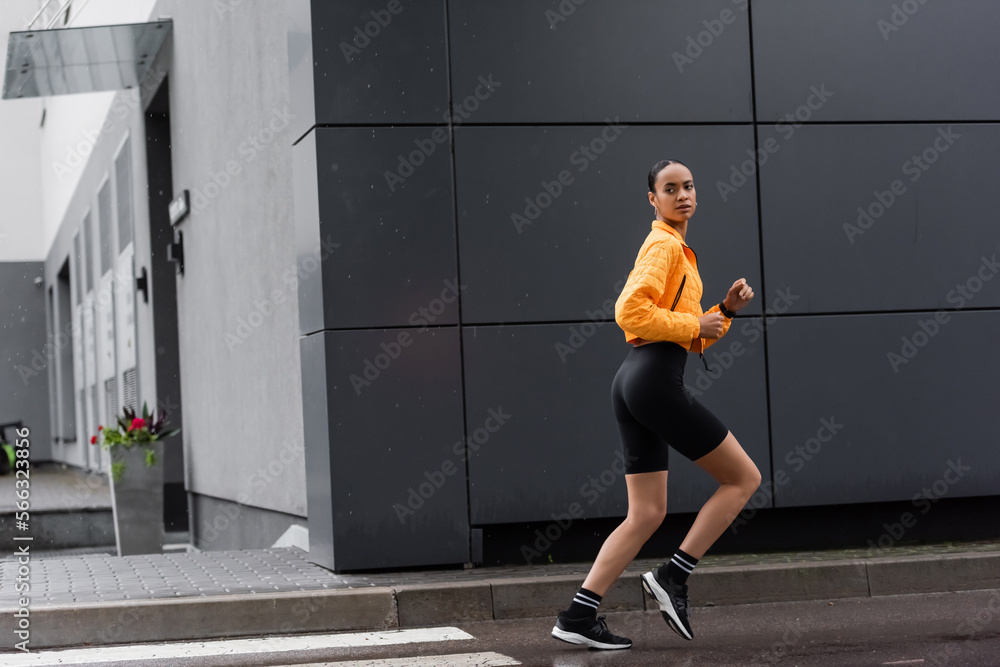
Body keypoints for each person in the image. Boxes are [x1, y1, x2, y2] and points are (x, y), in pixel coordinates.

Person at [550, 160, 762, 650]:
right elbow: (630, 311)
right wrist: (695, 325)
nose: (682, 195)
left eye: (688, 186)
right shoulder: (664, 244)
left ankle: (578, 615)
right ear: (653, 199)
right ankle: (673, 576)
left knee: (645, 512)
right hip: (652, 382)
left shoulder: (678, 250)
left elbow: (683, 331)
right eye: (670, 189)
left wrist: (724, 311)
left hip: (634, 380)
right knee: (743, 479)